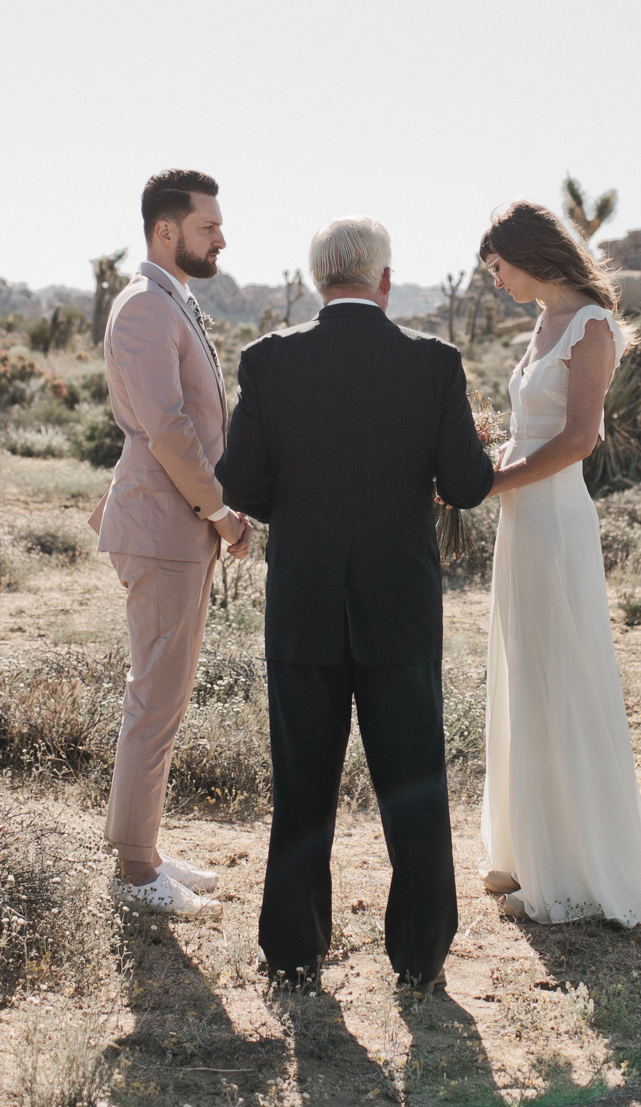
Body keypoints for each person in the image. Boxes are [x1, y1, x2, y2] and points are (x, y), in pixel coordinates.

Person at [216, 217, 496, 993]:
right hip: (399, 607)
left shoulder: (268, 362)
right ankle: (420, 956)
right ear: (384, 281)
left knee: (301, 782)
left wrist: (299, 506)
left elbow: (239, 483)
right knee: (414, 783)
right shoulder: (434, 364)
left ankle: (295, 951)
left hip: (304, 602)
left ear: (317, 283)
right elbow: (468, 485)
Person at [476, 201, 641, 928]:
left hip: (554, 519)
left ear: (526, 255)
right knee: (526, 669)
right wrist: (485, 462)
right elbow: (533, 428)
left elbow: (580, 438)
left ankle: (578, 862)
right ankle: (527, 845)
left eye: (498, 267)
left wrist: (494, 480)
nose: (497, 282)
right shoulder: (543, 321)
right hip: (521, 520)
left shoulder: (592, 326)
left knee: (563, 672)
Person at [91, 168, 254, 915]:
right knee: (155, 697)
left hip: (170, 525)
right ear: (167, 230)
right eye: (208, 226)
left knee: (166, 694)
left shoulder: (166, 302)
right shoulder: (144, 310)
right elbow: (168, 429)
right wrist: (220, 512)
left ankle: (145, 849)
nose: (221, 237)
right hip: (166, 527)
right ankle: (132, 872)